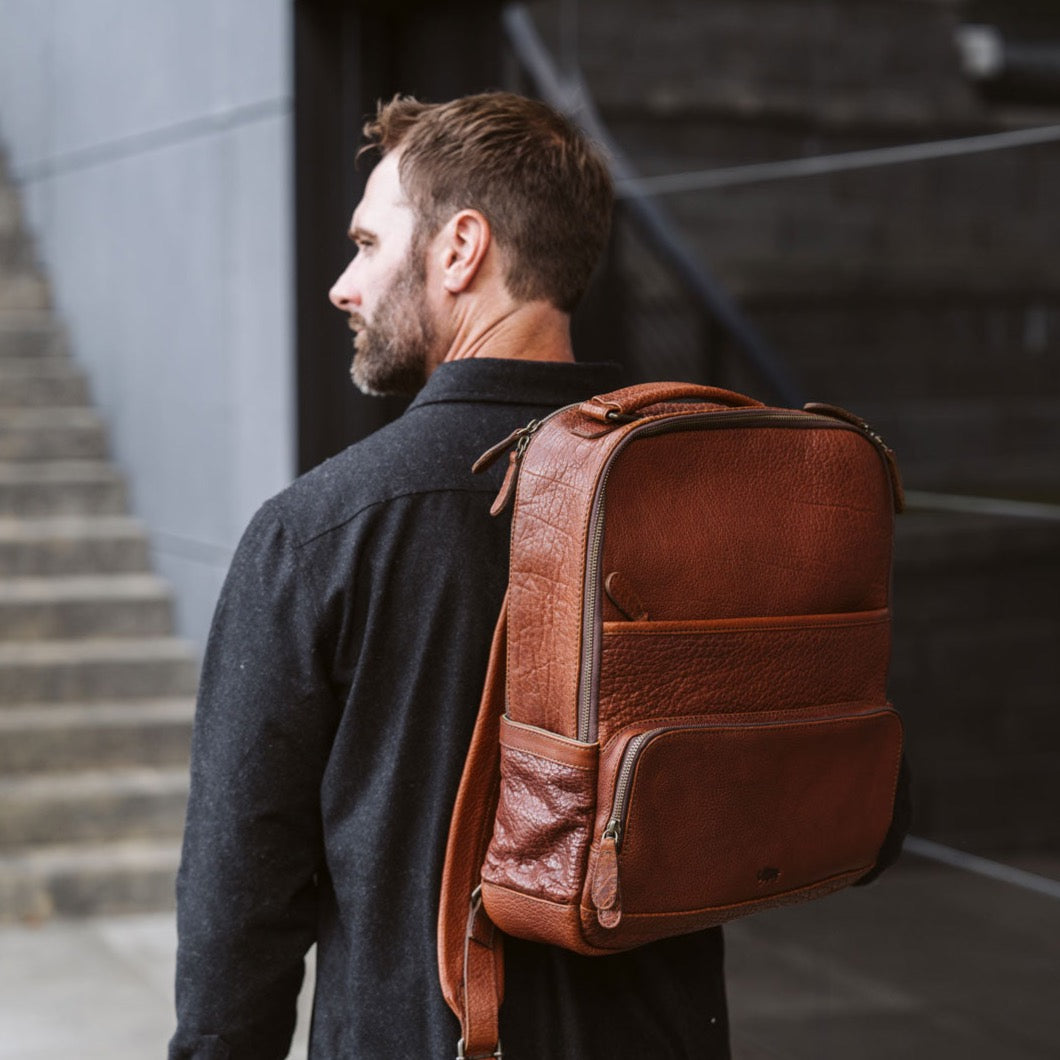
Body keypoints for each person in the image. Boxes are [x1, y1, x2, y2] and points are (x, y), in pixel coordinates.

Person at [169, 91, 731, 1060]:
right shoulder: (701, 492)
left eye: (368, 244)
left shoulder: (319, 534)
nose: (344, 285)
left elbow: (239, 913)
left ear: (460, 249)